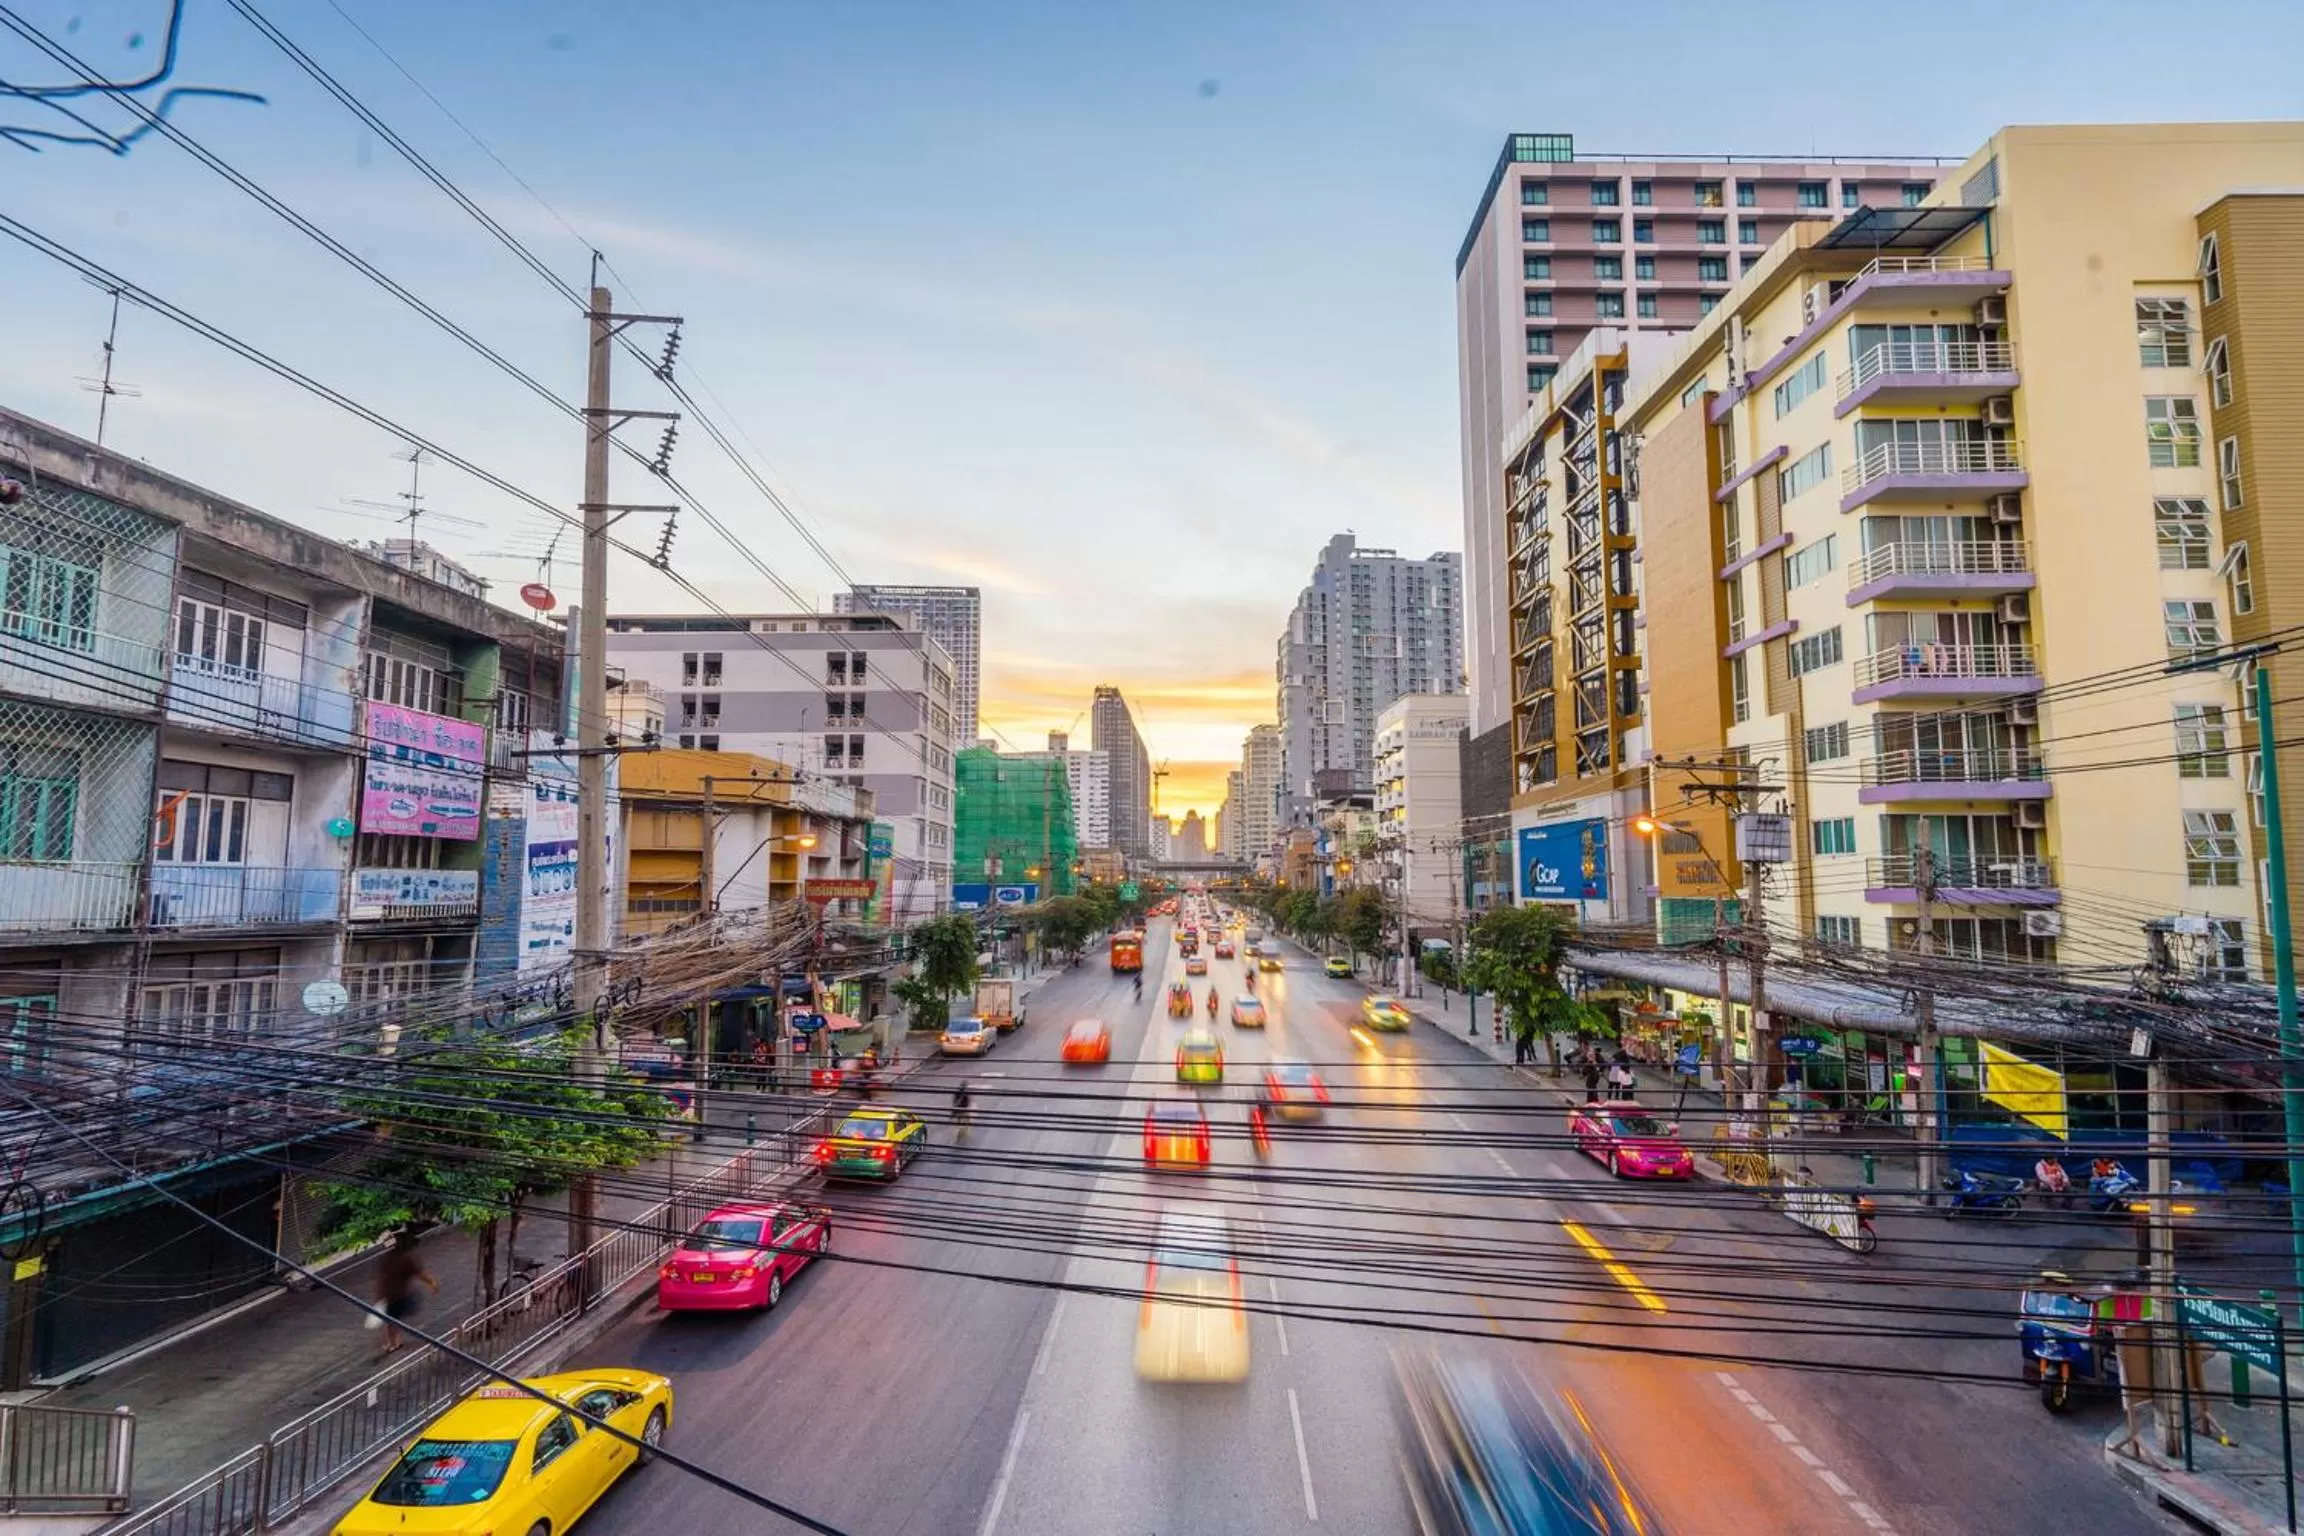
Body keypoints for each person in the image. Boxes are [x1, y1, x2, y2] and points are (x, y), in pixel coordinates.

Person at [376, 1231, 438, 1356]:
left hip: (395, 1294)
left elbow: (382, 1278)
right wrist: (432, 1283)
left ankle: (394, 1342)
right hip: (397, 1293)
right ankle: (395, 1341)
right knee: (393, 1319)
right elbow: (420, 1274)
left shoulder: (394, 1259)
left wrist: (380, 1293)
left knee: (391, 1319)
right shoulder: (405, 1258)